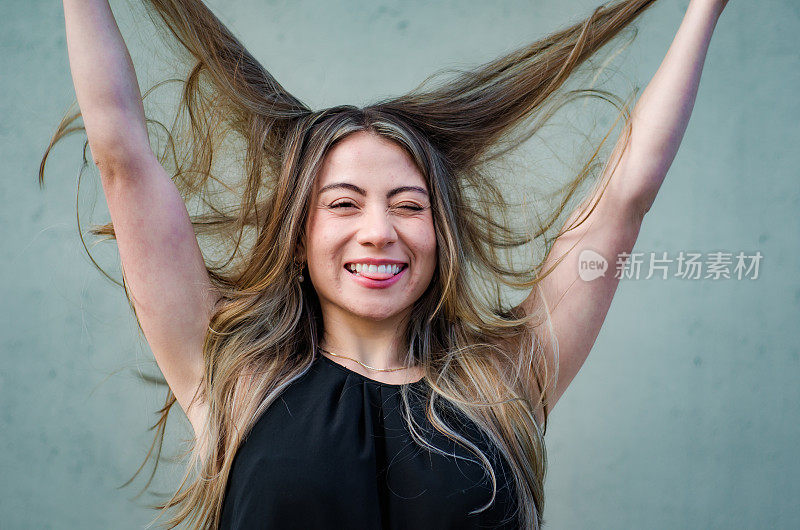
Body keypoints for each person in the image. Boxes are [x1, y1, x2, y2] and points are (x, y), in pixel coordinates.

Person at [40, 0, 729, 528]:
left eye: (408, 205)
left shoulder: (501, 384)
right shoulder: (232, 377)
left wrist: (705, 9)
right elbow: (122, 157)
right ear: (300, 235)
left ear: (441, 234)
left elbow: (626, 200)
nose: (378, 232)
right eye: (343, 204)